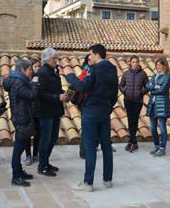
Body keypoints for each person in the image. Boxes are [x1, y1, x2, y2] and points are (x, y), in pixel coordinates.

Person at [65, 44, 118, 192]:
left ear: (97, 55)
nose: (89, 57)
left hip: (91, 112)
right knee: (106, 145)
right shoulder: (112, 69)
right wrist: (108, 107)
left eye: (91, 54)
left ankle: (88, 183)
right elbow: (115, 93)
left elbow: (82, 87)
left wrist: (70, 76)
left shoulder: (95, 69)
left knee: (89, 147)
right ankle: (108, 180)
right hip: (105, 112)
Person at [4, 59, 39, 186]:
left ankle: (19, 171)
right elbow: (31, 96)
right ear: (22, 70)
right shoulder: (20, 83)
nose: (31, 72)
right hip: (21, 118)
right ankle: (16, 176)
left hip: (21, 116)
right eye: (29, 69)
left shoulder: (18, 80)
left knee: (23, 143)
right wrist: (34, 84)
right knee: (18, 148)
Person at [36, 47, 68, 177]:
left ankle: (46, 162)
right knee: (46, 138)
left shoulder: (54, 71)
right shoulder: (42, 72)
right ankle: (42, 165)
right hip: (46, 111)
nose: (56, 60)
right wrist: (56, 97)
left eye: (56, 57)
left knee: (53, 137)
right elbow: (40, 93)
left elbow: (56, 88)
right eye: (54, 58)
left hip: (55, 110)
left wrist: (63, 94)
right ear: (47, 59)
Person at [119, 55, 148, 152]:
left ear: (138, 63)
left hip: (138, 101)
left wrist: (141, 92)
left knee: (134, 120)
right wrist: (125, 91)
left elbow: (147, 86)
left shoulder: (143, 74)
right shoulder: (126, 73)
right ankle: (133, 142)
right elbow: (121, 85)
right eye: (133, 62)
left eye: (136, 62)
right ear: (130, 63)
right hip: (128, 100)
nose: (135, 63)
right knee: (130, 120)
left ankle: (132, 142)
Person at [145, 57, 170, 157]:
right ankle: (156, 146)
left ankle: (162, 148)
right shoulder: (154, 76)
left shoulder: (168, 77)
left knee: (162, 128)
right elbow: (147, 86)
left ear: (164, 66)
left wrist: (153, 88)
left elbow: (163, 90)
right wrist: (155, 87)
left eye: (160, 65)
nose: (158, 67)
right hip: (152, 105)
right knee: (152, 128)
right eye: (156, 65)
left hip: (162, 105)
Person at [23, 59, 42, 165]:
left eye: (39, 66)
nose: (37, 68)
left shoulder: (41, 80)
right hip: (28, 111)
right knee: (27, 135)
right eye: (35, 67)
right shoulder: (25, 81)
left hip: (38, 111)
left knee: (38, 135)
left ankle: (35, 154)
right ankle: (28, 155)